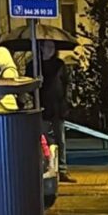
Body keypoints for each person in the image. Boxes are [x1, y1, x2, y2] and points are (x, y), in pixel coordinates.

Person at [27, 41, 75, 183]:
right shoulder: (34, 66)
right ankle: (47, 168)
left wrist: (67, 102)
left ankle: (62, 169)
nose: (50, 50)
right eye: (47, 47)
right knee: (44, 140)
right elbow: (26, 85)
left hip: (57, 107)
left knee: (60, 139)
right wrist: (36, 83)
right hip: (41, 107)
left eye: (52, 47)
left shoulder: (59, 65)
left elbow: (67, 84)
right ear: (41, 48)